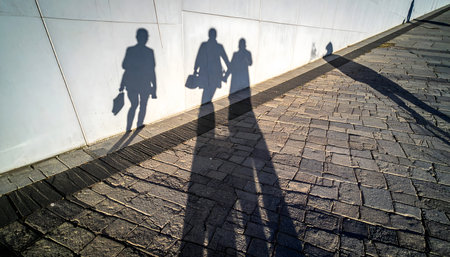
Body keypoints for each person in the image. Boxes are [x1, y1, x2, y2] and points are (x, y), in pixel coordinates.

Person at [119, 28, 157, 131]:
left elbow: (124, 66)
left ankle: (129, 127)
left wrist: (122, 84)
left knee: (134, 105)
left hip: (132, 83)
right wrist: (154, 88)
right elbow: (152, 71)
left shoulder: (130, 50)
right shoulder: (149, 52)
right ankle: (138, 124)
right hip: (143, 83)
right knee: (142, 105)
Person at [193, 28, 230, 104]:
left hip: (205, 71)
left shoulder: (204, 45)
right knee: (210, 91)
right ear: (216, 36)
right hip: (216, 73)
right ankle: (206, 108)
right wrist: (227, 71)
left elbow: (198, 57)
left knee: (206, 91)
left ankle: (205, 108)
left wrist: (195, 69)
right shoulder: (219, 46)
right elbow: (225, 59)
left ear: (209, 35)